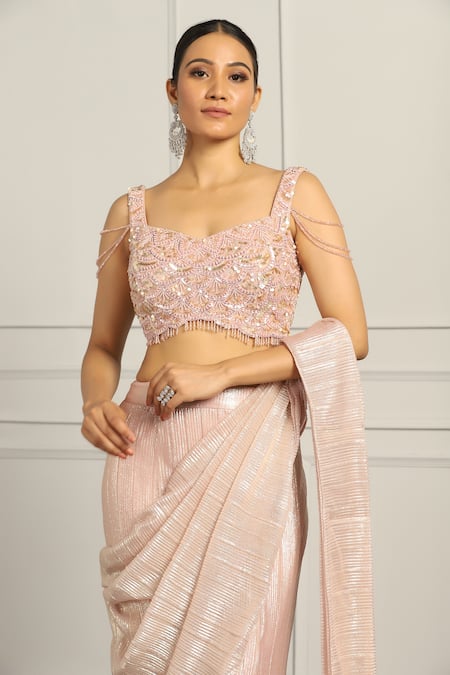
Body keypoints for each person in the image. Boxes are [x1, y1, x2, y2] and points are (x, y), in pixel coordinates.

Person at [81, 19, 375, 675]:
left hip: (251, 444)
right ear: (172, 90)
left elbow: (349, 335)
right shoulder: (130, 212)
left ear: (256, 96)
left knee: (245, 655)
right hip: (142, 445)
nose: (219, 88)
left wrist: (222, 374)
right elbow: (102, 344)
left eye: (236, 76)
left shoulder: (296, 193)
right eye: (200, 72)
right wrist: (95, 400)